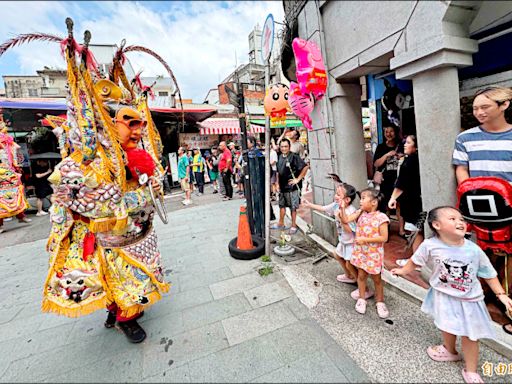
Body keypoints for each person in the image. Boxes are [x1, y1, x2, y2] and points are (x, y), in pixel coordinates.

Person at [38, 29, 169, 344]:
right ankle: (124, 317)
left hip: (136, 231)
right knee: (117, 278)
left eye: (140, 122)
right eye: (131, 123)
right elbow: (69, 198)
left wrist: (147, 177)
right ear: (110, 123)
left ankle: (122, 312)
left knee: (132, 279)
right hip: (107, 237)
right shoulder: (86, 160)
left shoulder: (137, 155)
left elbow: (154, 186)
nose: (138, 129)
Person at [391, 206, 512, 384]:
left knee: (470, 336)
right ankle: (449, 350)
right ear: (437, 225)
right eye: (452, 219)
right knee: (445, 324)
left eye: (461, 219)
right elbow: (415, 261)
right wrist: (402, 271)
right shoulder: (430, 246)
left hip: (469, 300)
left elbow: (489, 273)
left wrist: (501, 294)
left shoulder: (473, 250)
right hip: (443, 296)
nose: (460, 222)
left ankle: (471, 370)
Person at [452, 86, 512, 335]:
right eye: (475, 108)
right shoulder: (465, 138)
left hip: (509, 208)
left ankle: (507, 305)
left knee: (509, 257)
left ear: (504, 105)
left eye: (485, 107)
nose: (478, 112)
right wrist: (469, 195)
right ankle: (481, 296)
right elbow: (461, 170)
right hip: (478, 211)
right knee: (481, 253)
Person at [303, 182, 358, 283]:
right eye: (336, 193)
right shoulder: (336, 205)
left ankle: (362, 286)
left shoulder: (351, 211)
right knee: (337, 255)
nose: (335, 196)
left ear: (347, 199)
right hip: (343, 241)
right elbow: (323, 208)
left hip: (351, 242)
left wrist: (341, 218)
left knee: (349, 264)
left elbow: (350, 230)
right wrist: (309, 205)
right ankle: (349, 276)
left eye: (338, 194)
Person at [347, 188, 390, 318]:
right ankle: (362, 298)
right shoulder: (361, 214)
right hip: (362, 252)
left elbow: (384, 238)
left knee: (376, 279)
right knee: (361, 275)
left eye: (364, 198)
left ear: (374, 202)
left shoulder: (381, 217)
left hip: (373, 253)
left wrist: (365, 239)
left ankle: (380, 301)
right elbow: (347, 220)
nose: (360, 201)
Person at [388, 135, 423, 261]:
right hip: (416, 199)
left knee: (415, 230)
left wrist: (392, 198)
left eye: (408, 142)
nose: (405, 144)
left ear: (416, 146)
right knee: (417, 230)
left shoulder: (410, 162)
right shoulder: (416, 160)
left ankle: (416, 260)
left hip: (413, 201)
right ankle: (416, 260)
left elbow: (401, 183)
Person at [272, 138, 309, 234]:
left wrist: (298, 179)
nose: (284, 148)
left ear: (289, 147)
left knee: (293, 207)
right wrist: (277, 183)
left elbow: (305, 167)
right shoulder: (280, 156)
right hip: (282, 187)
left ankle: (293, 225)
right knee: (282, 205)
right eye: (282, 146)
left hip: (292, 187)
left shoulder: (294, 156)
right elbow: (278, 172)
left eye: (286, 146)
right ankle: (281, 223)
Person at [0, 123, 31, 233]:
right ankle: (0, 224)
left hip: (10, 172)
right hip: (2, 174)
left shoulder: (8, 141)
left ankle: (21, 216)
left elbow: (16, 147)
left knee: (17, 194)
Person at [373, 125, 402, 214]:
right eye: (386, 132)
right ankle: (386, 226)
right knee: (386, 205)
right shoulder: (381, 147)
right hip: (385, 180)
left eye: (391, 131)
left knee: (399, 204)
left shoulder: (401, 145)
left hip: (399, 179)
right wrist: (386, 155)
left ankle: (401, 228)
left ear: (396, 133)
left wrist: (401, 156)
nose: (388, 134)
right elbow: (376, 164)